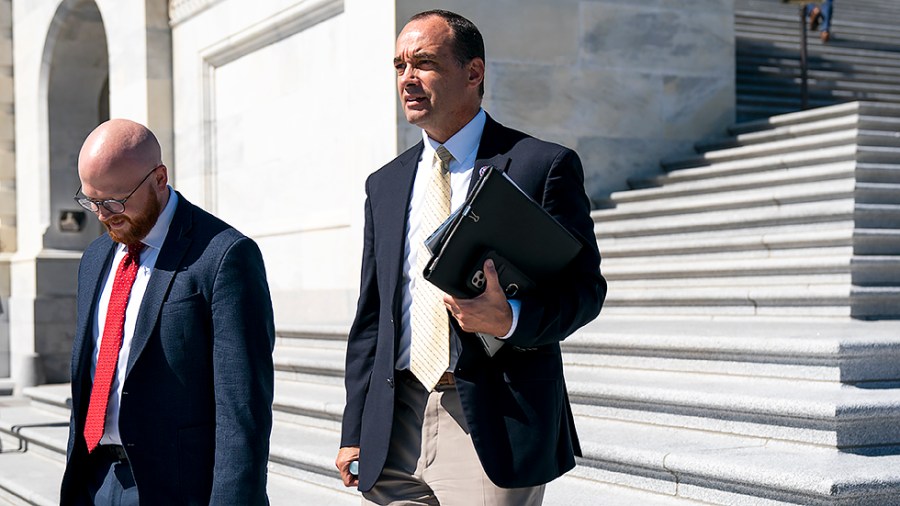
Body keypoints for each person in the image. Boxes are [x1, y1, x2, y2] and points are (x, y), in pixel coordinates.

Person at [335, 9, 606, 505]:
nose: (407, 79)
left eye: (424, 63)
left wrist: (510, 319)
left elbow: (585, 290)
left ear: (473, 72)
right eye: (399, 66)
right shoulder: (385, 184)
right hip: (395, 425)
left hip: (492, 419)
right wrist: (355, 426)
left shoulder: (540, 166)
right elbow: (373, 315)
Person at [59, 119, 276, 505]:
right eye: (92, 201)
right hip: (95, 481)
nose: (103, 215)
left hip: (177, 488)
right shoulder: (95, 258)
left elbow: (241, 410)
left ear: (159, 178)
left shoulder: (223, 257)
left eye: (115, 201)